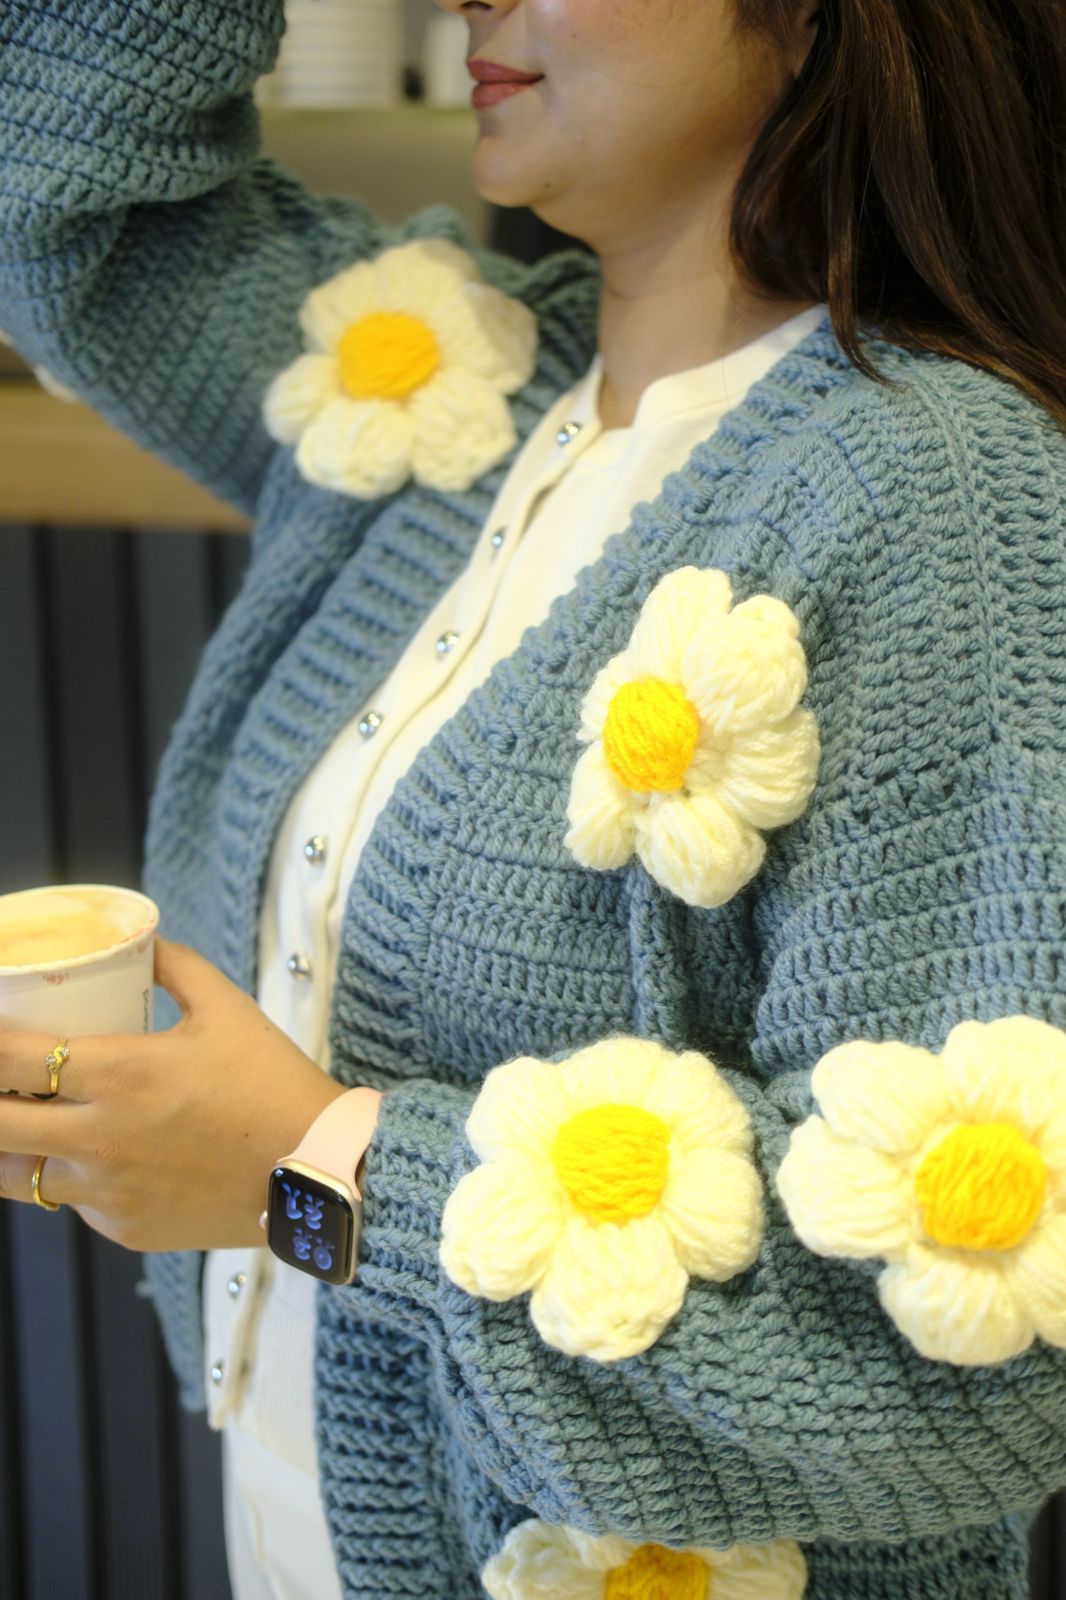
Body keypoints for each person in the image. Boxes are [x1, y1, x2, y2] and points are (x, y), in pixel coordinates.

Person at [1, 0, 1065, 1595]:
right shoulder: (447, 391)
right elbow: (60, 189)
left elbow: (972, 1363)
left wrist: (324, 1180)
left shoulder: (937, 500)